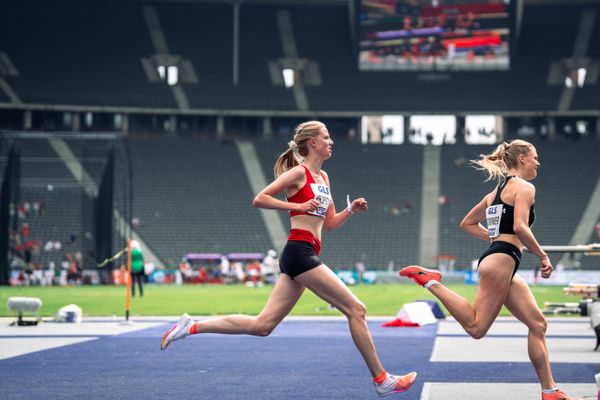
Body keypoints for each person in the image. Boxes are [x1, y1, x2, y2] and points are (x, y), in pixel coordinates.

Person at [161, 121, 417, 397]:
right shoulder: (298, 173)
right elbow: (260, 198)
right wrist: (296, 205)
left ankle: (192, 326)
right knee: (357, 309)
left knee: (263, 326)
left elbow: (329, 224)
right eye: (326, 137)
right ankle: (381, 379)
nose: (331, 142)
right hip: (299, 252)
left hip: (304, 254)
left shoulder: (324, 178)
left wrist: (350, 210)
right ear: (312, 143)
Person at [400, 139, 580, 400]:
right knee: (476, 328)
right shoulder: (524, 188)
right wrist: (542, 255)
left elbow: (467, 223)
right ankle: (431, 281)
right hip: (501, 262)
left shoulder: (494, 193)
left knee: (538, 324)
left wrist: (497, 239)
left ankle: (549, 391)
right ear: (521, 159)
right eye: (535, 157)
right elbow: (520, 226)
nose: (537, 162)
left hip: (500, 259)